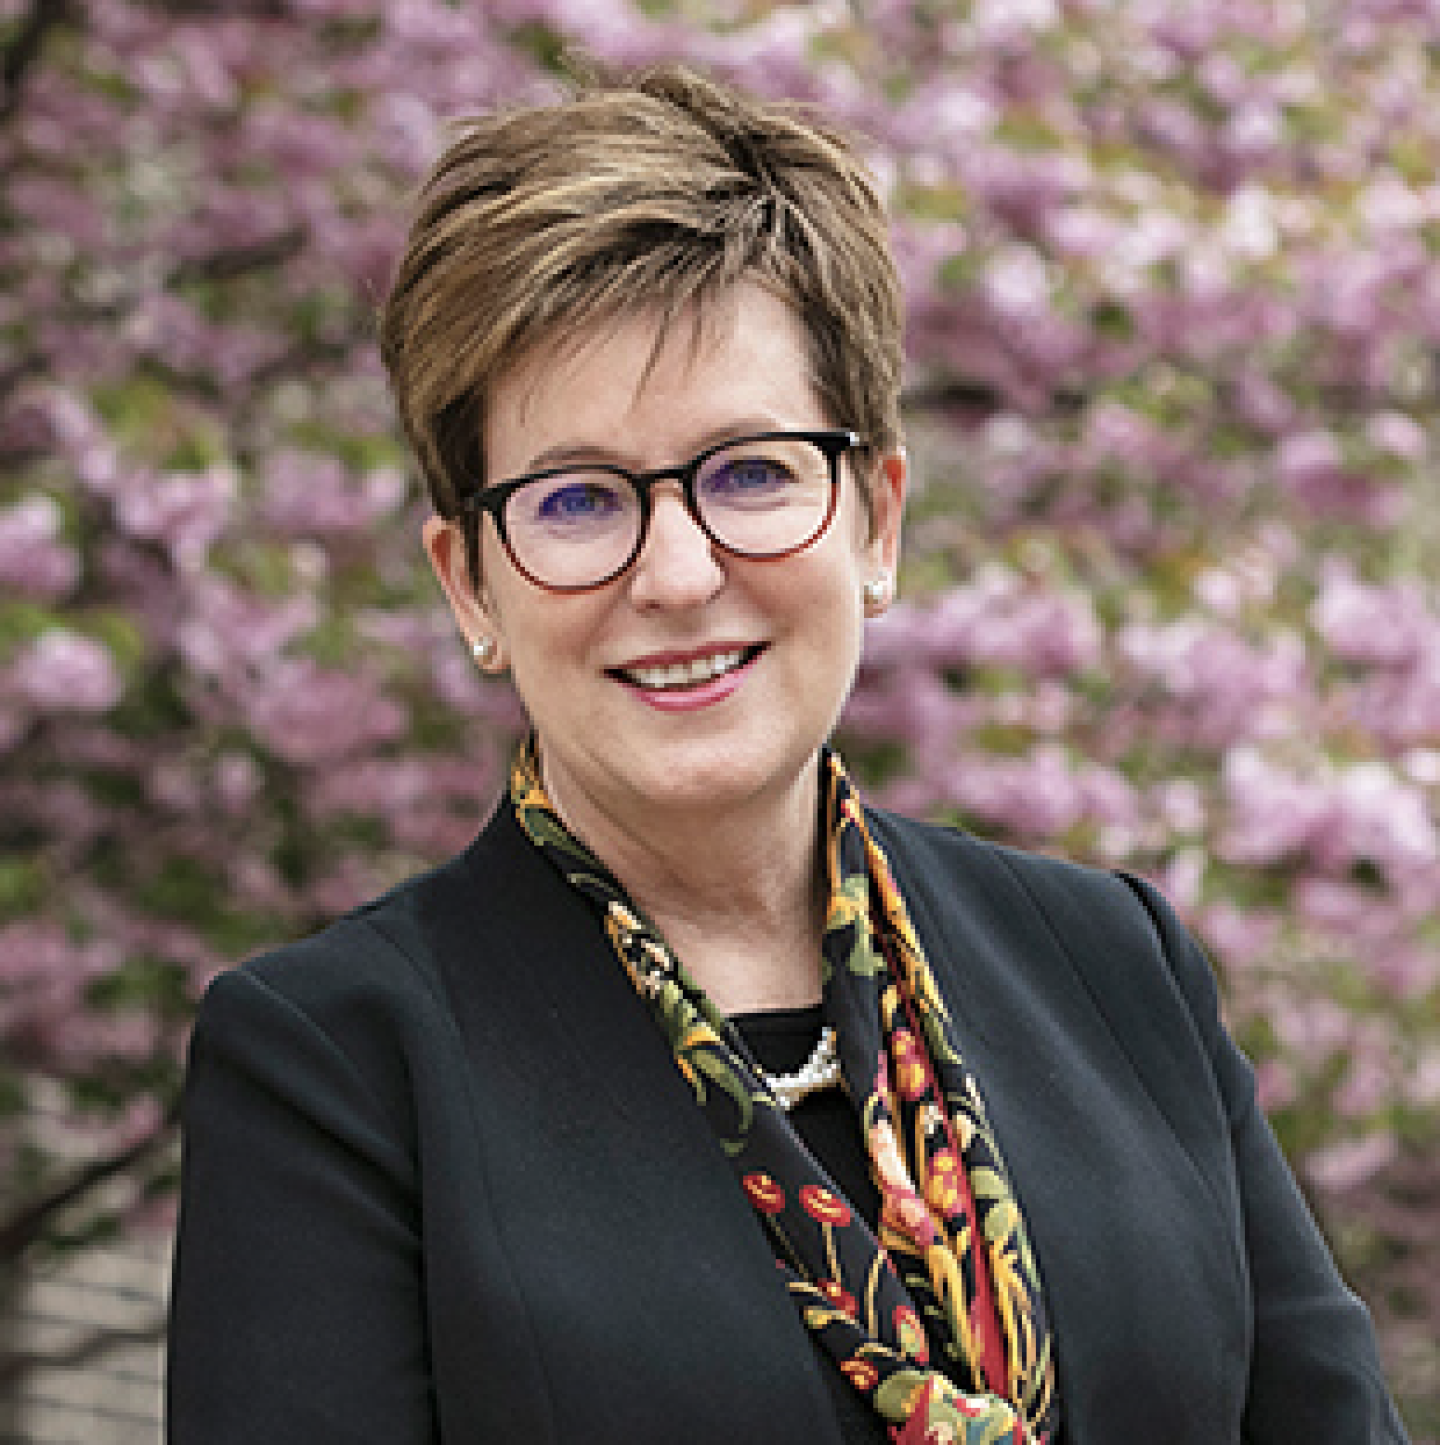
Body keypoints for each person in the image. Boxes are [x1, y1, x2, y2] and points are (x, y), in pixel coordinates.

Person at [165, 65, 1410, 1444]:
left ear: (874, 519)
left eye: (752, 472)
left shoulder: (1113, 968)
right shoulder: (339, 1065)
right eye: (578, 500)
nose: (681, 573)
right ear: (471, 586)